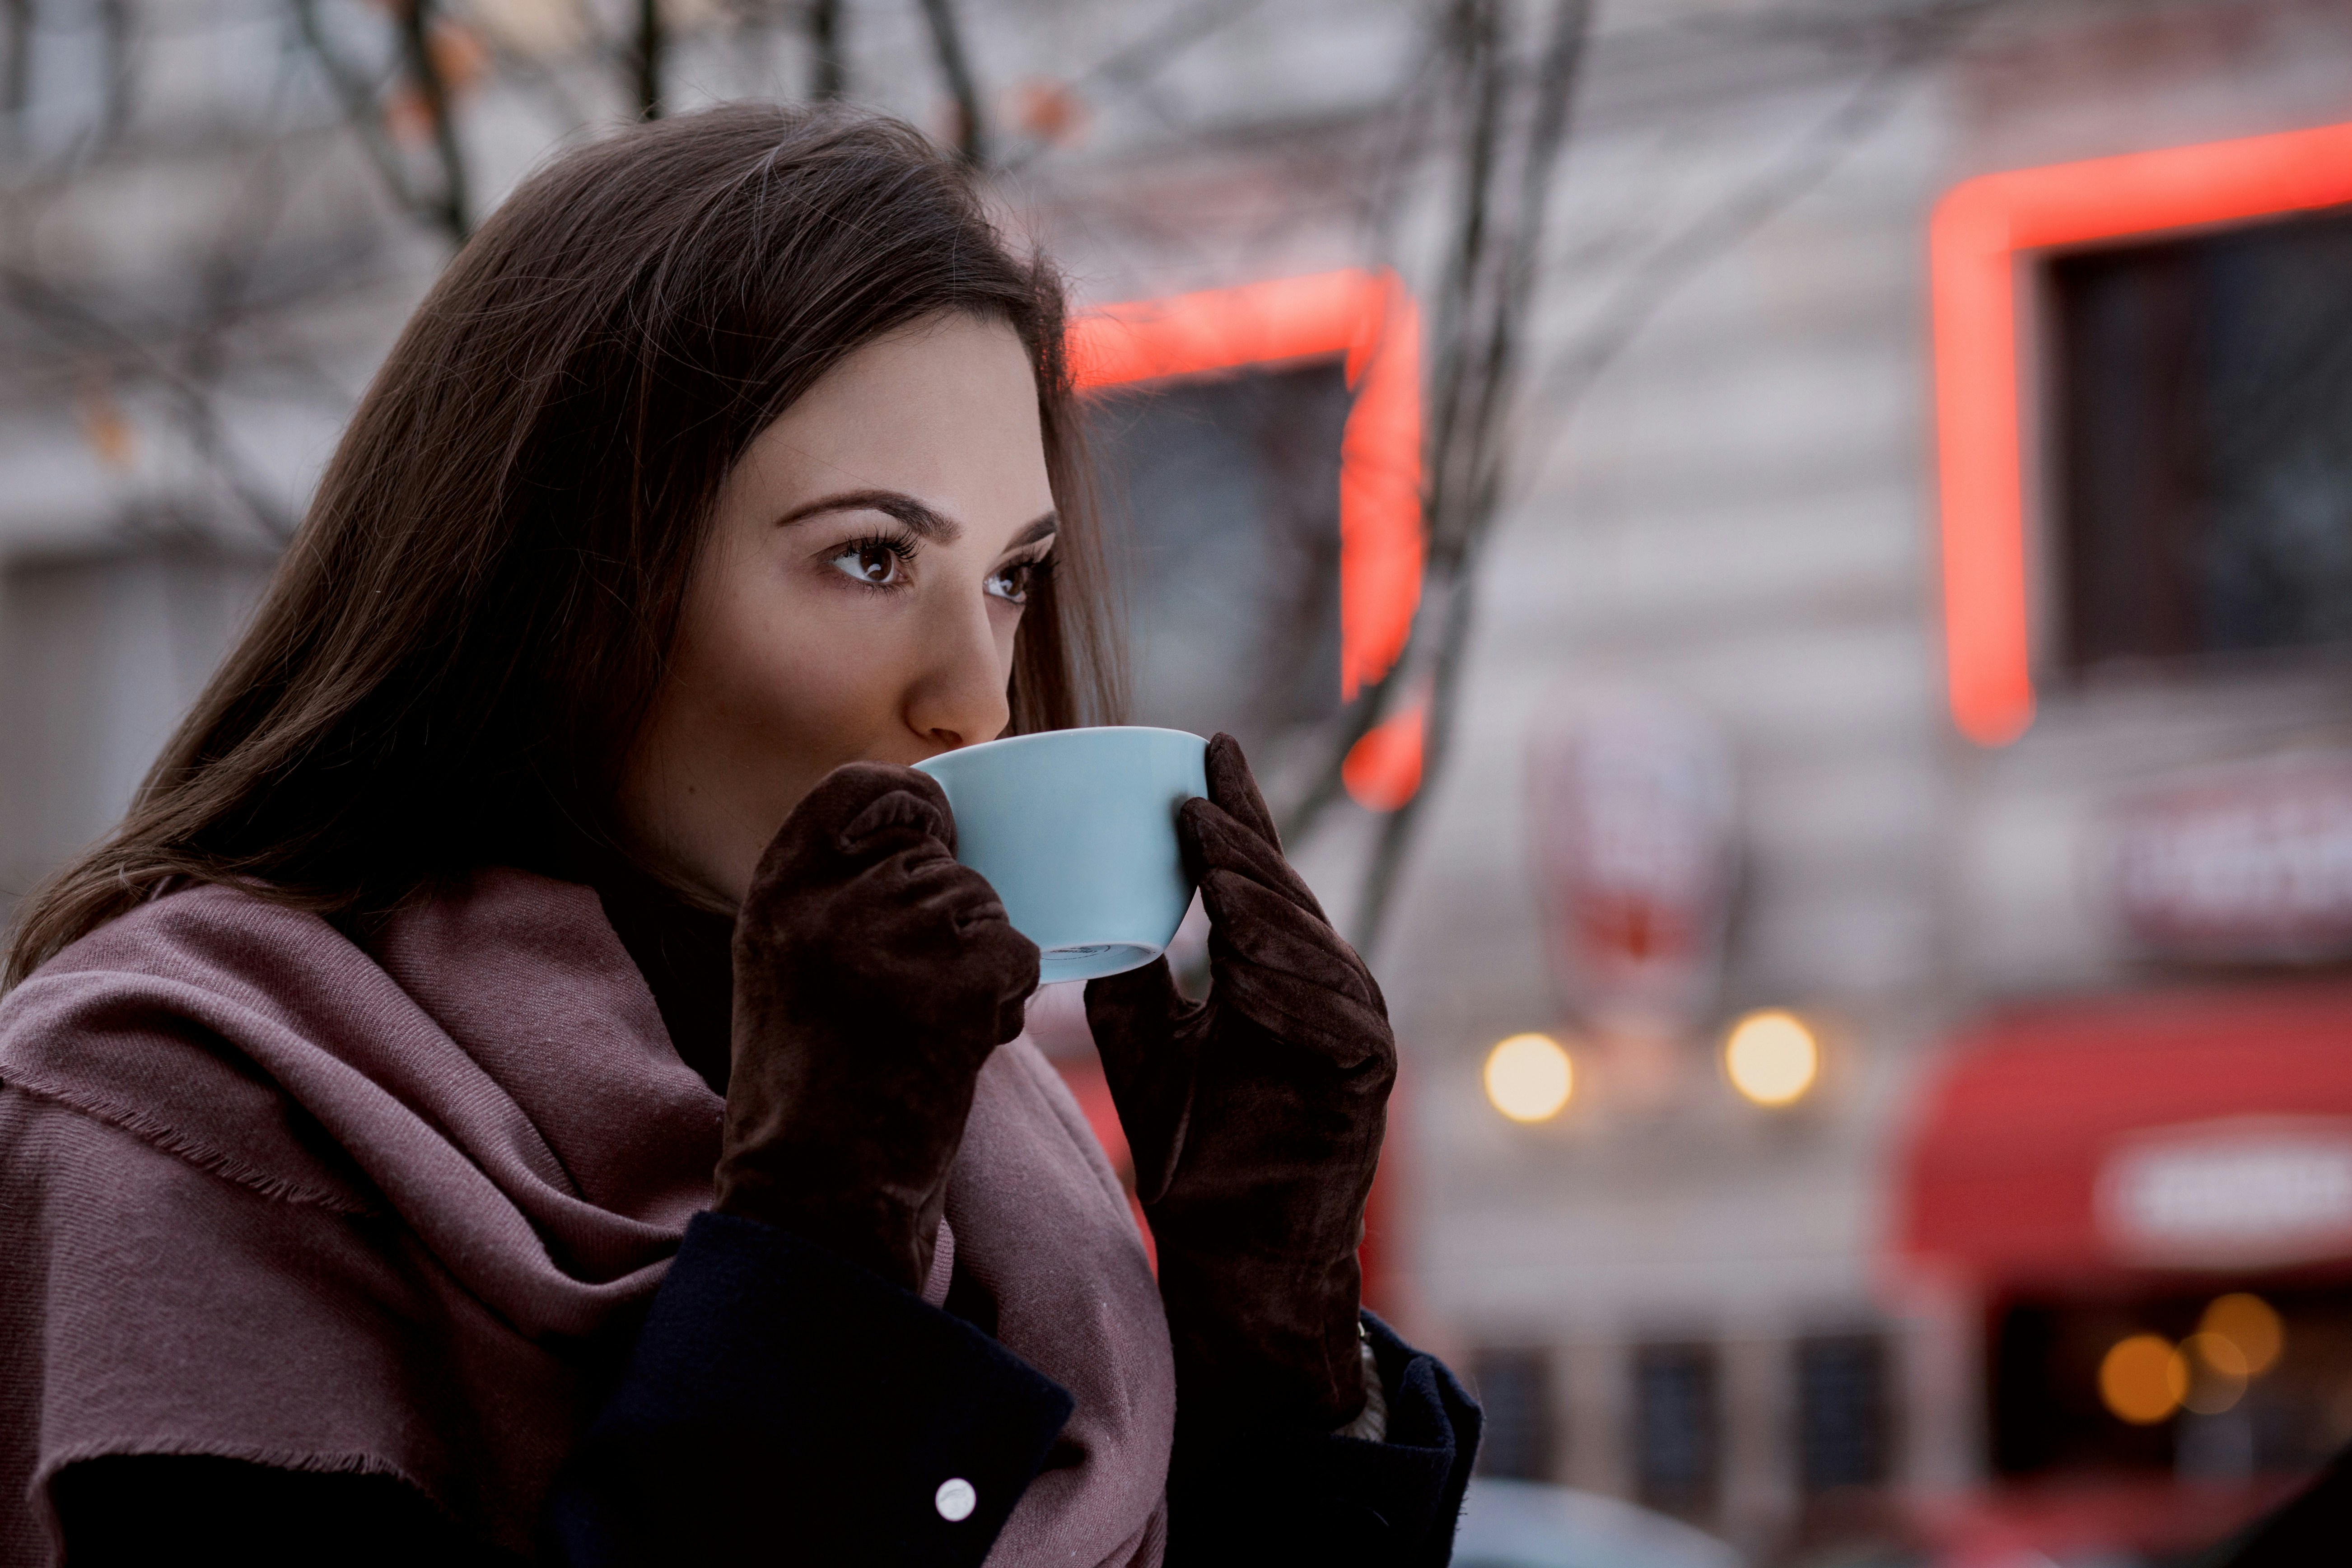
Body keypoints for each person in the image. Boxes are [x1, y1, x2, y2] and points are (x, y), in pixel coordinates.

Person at [0, 106, 1478, 1567]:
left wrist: (1271, 1330)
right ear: (567, 584)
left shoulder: (1001, 1150)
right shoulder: (187, 1097)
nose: (977, 699)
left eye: (1012, 578)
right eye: (870, 557)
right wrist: (826, 1234)